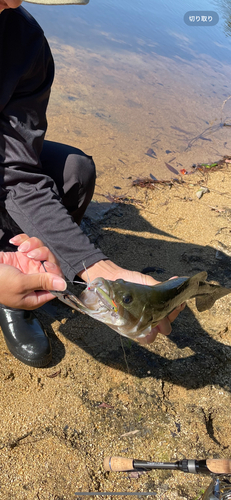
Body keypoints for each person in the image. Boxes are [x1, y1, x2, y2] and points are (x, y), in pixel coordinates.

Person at [0, 0, 184, 367]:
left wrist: (99, 269)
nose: (13, 3)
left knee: (74, 172)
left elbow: (15, 171)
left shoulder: (24, 40)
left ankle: (13, 276)